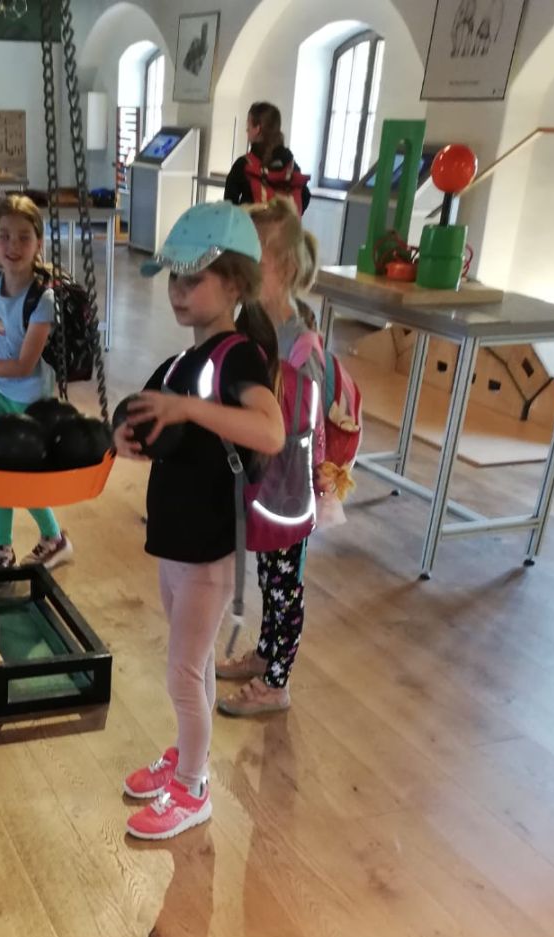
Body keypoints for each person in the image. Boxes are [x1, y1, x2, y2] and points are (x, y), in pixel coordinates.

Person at [113, 201, 285, 840]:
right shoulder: (181, 364)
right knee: (197, 662)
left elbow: (270, 430)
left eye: (194, 278)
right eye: (174, 278)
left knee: (182, 671)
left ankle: (192, 787)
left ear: (235, 285)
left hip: (210, 550)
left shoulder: (237, 357)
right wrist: (120, 436)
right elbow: (139, 412)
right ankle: (189, 753)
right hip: (175, 543)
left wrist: (190, 409)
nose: (179, 291)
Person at [218, 197, 326, 717]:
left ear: (282, 266)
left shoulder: (300, 345)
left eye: (251, 253)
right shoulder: (253, 325)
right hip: (263, 481)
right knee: (268, 575)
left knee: (285, 585)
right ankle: (265, 654)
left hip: (288, 487)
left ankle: (278, 682)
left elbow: (301, 423)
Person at [0, 194, 73, 570]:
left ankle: (54, 538)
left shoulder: (42, 299)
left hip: (29, 401)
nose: (13, 246)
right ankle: (1, 549)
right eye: (5, 236)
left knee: (18, 477)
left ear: (39, 243)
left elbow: (23, 365)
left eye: (24, 237)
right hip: (0, 394)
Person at [224, 102, 311, 215]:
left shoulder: (243, 165)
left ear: (257, 129)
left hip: (251, 226)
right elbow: (305, 196)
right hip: (285, 226)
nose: (247, 130)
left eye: (248, 125)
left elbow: (228, 207)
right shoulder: (290, 164)